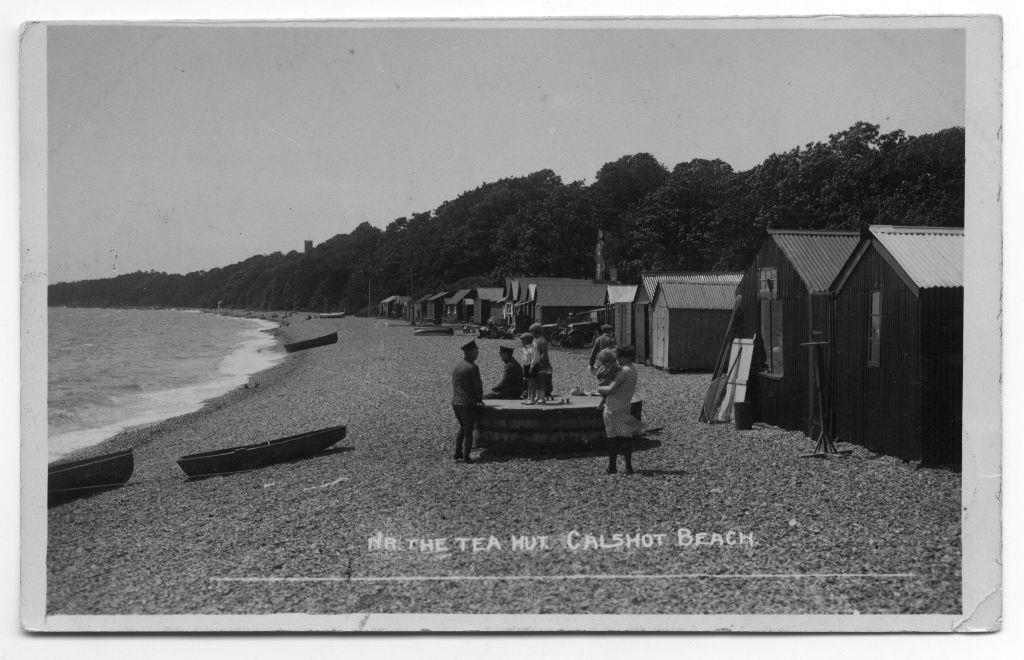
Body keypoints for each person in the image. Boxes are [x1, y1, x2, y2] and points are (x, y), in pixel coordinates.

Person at [596, 344, 645, 474]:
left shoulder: (624, 371)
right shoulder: (633, 370)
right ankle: (629, 466)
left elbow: (611, 388)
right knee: (626, 436)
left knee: (612, 437)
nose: (618, 359)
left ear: (624, 357)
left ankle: (612, 467)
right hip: (625, 406)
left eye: (620, 357)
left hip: (613, 407)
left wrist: (599, 389)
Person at [451, 339, 484, 463]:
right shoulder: (473, 367)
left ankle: (457, 452)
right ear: (470, 352)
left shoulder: (457, 366)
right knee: (469, 431)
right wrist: (479, 399)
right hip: (467, 404)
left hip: (456, 402)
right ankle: (466, 457)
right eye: (476, 350)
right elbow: (477, 386)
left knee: (463, 427)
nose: (477, 353)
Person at [529, 322, 553, 400]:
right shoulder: (534, 340)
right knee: (536, 380)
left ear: (536, 331)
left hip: (542, 363)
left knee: (541, 380)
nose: (531, 333)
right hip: (535, 362)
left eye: (532, 331)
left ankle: (542, 396)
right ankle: (537, 395)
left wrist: (540, 362)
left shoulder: (542, 341)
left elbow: (544, 354)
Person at [518, 332, 539, 404]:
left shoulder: (532, 349)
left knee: (532, 383)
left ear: (527, 341)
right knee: (528, 383)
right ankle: (529, 397)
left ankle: (532, 398)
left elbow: (535, 358)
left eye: (523, 340)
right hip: (526, 366)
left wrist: (532, 366)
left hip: (531, 366)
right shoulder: (525, 349)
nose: (522, 342)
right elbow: (524, 358)